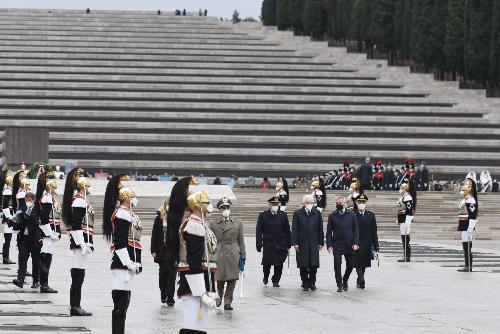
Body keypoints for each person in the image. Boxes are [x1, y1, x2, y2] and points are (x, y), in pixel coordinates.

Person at [166, 177, 220, 334]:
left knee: (200, 326)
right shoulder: (194, 226)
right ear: (197, 205)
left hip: (202, 282)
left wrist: (210, 289)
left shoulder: (200, 224)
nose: (209, 206)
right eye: (206, 203)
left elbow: (207, 262)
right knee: (193, 326)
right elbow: (194, 260)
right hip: (193, 284)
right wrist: (201, 292)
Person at [103, 175, 143, 334]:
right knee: (120, 303)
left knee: (125, 300)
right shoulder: (122, 214)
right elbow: (120, 242)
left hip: (128, 261)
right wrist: (128, 262)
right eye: (132, 197)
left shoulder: (128, 213)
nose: (135, 199)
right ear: (126, 199)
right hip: (122, 262)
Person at [62, 167, 93, 316]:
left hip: (81, 240)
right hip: (80, 241)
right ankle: (75, 307)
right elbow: (75, 224)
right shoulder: (79, 202)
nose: (89, 188)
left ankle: (75, 306)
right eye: (87, 186)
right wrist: (82, 243)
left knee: (79, 273)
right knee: (78, 274)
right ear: (82, 187)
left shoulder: (79, 200)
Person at [209, 197, 246, 310]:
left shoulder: (238, 222)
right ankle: (219, 297)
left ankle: (228, 302)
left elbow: (241, 240)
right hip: (219, 254)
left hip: (233, 253)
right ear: (219, 210)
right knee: (219, 279)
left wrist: (243, 255)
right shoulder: (213, 223)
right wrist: (209, 256)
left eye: (227, 207)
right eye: (223, 208)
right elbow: (211, 241)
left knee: (232, 279)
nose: (226, 209)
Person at [256, 196, 291, 288]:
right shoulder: (263, 215)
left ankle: (276, 280)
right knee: (267, 263)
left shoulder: (283, 215)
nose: (275, 205)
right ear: (269, 205)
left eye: (276, 204)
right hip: (268, 243)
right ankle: (266, 276)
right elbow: (259, 230)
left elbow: (287, 229)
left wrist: (289, 242)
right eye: (273, 204)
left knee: (279, 263)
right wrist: (259, 243)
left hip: (281, 243)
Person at [291, 194, 324, 291]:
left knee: (313, 264)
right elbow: (295, 229)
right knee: (303, 264)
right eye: (308, 203)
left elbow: (320, 229)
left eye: (311, 203)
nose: (310, 204)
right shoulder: (298, 213)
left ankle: (312, 282)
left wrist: (321, 242)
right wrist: (295, 243)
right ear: (304, 203)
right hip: (302, 242)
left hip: (314, 242)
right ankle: (305, 283)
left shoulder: (317, 213)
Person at [326, 196, 359, 292]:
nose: (338, 205)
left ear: (345, 203)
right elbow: (328, 232)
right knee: (337, 265)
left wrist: (356, 243)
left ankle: (345, 280)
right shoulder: (332, 215)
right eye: (337, 203)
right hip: (337, 244)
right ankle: (339, 284)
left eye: (340, 203)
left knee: (351, 265)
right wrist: (329, 245)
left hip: (349, 244)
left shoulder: (351, 214)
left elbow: (356, 230)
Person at [36, 171, 61, 293]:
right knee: (45, 258)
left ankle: (44, 283)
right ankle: (43, 284)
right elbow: (45, 218)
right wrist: (50, 233)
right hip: (47, 233)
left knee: (48, 258)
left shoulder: (50, 198)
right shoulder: (46, 198)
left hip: (51, 232)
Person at [10, 192, 41, 289]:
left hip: (35, 238)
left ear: (33, 200)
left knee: (36, 260)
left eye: (29, 200)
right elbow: (18, 223)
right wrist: (14, 221)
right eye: (26, 199)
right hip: (24, 238)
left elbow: (35, 220)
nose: (28, 201)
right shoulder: (22, 209)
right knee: (22, 258)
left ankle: (36, 281)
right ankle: (20, 280)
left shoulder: (37, 209)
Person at [151, 198, 176, 306]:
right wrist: (153, 250)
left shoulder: (175, 219)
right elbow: (154, 235)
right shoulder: (158, 219)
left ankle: (170, 297)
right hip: (161, 251)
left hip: (172, 251)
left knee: (172, 275)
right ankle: (163, 293)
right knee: (163, 273)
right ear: (165, 205)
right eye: (168, 204)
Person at [353, 194, 379, 289]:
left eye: (363, 202)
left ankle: (359, 279)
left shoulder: (371, 215)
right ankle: (361, 279)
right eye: (359, 202)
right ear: (356, 202)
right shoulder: (353, 215)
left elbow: (374, 231)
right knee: (357, 262)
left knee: (363, 263)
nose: (361, 203)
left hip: (367, 242)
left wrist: (376, 245)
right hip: (356, 242)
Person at [457, 178, 478, 272]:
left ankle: (468, 265)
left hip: (467, 224)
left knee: (467, 245)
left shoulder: (471, 200)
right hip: (463, 223)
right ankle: (467, 264)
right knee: (465, 245)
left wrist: (471, 226)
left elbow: (473, 215)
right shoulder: (465, 200)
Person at [396, 177, 417, 263]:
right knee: (403, 236)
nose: (400, 190)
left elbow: (408, 210)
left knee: (405, 237)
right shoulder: (403, 197)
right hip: (402, 217)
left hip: (406, 218)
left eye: (402, 188)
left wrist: (407, 220)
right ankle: (405, 254)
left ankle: (407, 256)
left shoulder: (408, 197)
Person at [1, 170, 16, 264]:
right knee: (7, 238)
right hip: (8, 218)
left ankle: (6, 257)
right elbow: (5, 206)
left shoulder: (9, 190)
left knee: (8, 238)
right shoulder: (7, 191)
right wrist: (9, 217)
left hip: (10, 217)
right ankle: (5, 257)